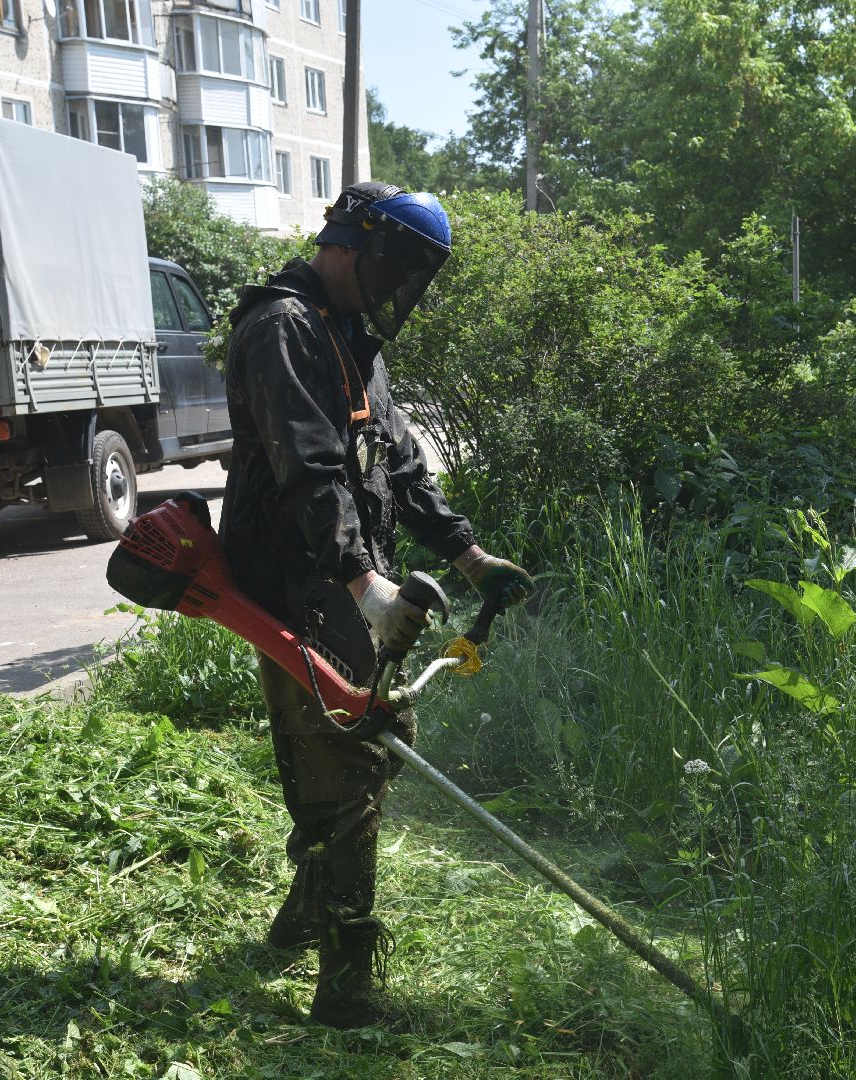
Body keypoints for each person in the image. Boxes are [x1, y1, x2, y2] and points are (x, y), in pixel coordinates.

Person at [217, 182, 532, 1028]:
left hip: (348, 574)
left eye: (415, 275)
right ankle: (346, 989)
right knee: (351, 762)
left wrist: (468, 555)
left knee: (375, 749)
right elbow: (309, 471)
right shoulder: (281, 329)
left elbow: (395, 465)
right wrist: (367, 586)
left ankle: (300, 915)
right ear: (351, 244)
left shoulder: (350, 335)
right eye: (397, 265)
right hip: (296, 580)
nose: (402, 287)